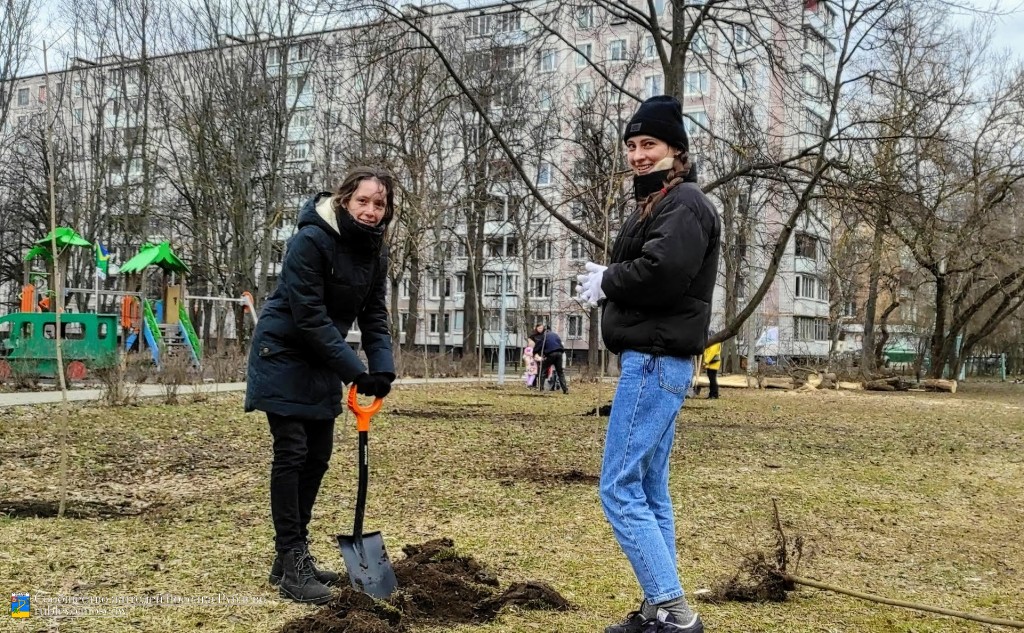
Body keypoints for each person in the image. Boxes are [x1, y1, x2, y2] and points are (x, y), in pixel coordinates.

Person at [577, 95, 721, 633]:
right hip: (657, 360)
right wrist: (612, 274)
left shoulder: (684, 203)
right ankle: (659, 607)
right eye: (632, 145)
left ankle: (675, 611)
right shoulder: (660, 203)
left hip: (655, 362)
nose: (637, 155)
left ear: (676, 151)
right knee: (649, 490)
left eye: (649, 145)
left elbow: (662, 272)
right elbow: (653, 264)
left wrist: (610, 279)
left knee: (617, 488)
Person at [245, 167, 398, 605]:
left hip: (323, 359)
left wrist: (381, 369)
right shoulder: (310, 239)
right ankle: (292, 559)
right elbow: (308, 315)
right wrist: (355, 370)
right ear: (346, 199)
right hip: (284, 352)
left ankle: (290, 558)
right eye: (363, 201)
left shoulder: (375, 253)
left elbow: (373, 315)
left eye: (380, 204)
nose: (371, 211)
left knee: (318, 457)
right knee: (292, 452)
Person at [529, 323, 569, 394]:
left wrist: (535, 353)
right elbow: (561, 345)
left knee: (543, 369)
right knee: (560, 372)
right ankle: (565, 389)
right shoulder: (556, 335)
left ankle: (541, 388)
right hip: (559, 353)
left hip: (551, 354)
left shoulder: (544, 336)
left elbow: (538, 346)